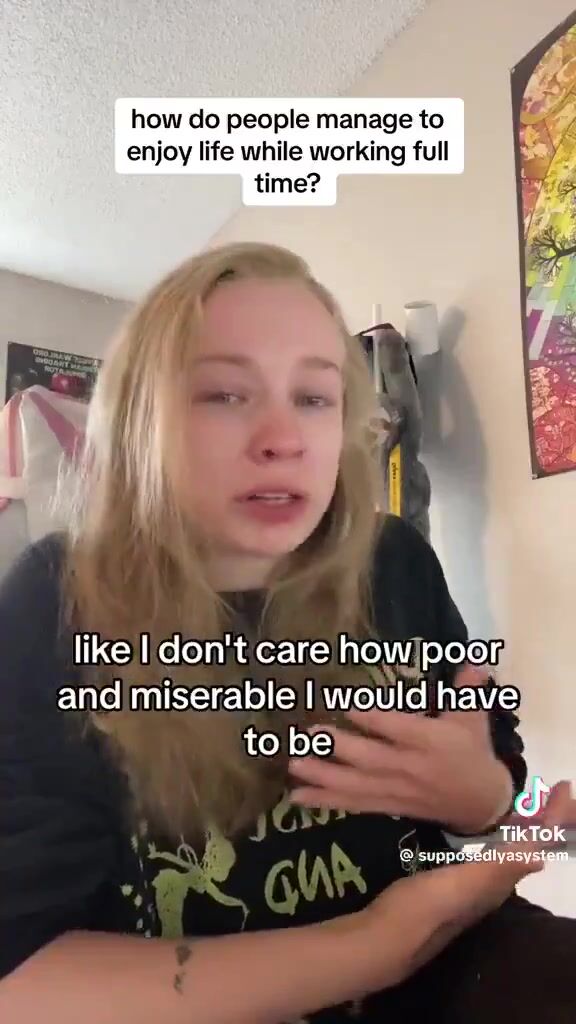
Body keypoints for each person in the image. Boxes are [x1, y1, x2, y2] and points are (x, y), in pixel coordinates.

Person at [0, 241, 574, 1023]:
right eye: (225, 394)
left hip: (459, 965)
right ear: (139, 422)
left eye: (313, 397)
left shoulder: (395, 560)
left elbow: (508, 787)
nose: (283, 438)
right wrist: (377, 943)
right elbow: (20, 980)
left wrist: (484, 798)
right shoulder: (55, 601)